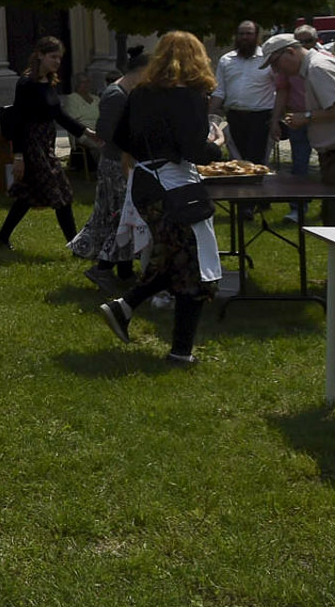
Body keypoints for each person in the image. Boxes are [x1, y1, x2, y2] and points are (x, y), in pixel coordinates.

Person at [97, 33, 224, 364]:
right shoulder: (192, 97)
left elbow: (119, 136)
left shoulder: (140, 93)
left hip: (144, 184)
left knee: (176, 260)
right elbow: (194, 151)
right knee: (192, 267)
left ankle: (125, 308)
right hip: (174, 188)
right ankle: (180, 352)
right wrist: (216, 142)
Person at [263, 30, 335, 292]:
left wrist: (305, 117)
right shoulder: (315, 67)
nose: (278, 71)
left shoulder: (318, 68)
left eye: (276, 63)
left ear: (290, 51)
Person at [0, 37, 99, 250]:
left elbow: (58, 114)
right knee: (61, 193)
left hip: (45, 143)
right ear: (40, 55)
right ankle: (75, 245)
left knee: (27, 195)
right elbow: (19, 121)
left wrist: (85, 132)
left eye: (60, 57)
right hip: (32, 145)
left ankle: (1, 239)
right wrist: (19, 156)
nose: (57, 61)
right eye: (53, 56)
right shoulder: (26, 84)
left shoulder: (48, 81)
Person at [70, 49, 148, 288]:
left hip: (123, 162)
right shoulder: (116, 95)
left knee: (122, 216)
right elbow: (106, 133)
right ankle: (103, 268)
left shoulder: (126, 93)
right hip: (116, 164)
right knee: (120, 218)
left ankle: (124, 271)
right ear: (142, 71)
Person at [211, 20, 276, 167]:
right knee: (237, 162)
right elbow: (219, 91)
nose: (245, 37)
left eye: (249, 34)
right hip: (235, 117)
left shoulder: (267, 59)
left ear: (256, 36)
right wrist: (209, 116)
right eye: (241, 34)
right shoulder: (226, 60)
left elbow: (280, 88)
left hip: (261, 118)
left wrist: (277, 117)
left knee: (257, 163)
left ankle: (260, 190)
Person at [270, 26, 319, 220]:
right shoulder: (287, 64)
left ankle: (333, 205)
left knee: (331, 163)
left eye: (307, 41)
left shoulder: (321, 62)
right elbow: (282, 91)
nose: (303, 45)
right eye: (299, 41)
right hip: (298, 117)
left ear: (315, 41)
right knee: (299, 163)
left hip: (322, 117)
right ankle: (298, 208)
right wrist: (275, 120)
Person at [64, 73, 103, 176]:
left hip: (99, 130)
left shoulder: (96, 99)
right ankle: (101, 170)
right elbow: (72, 120)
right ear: (77, 84)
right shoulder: (72, 98)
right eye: (83, 82)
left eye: (88, 82)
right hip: (83, 132)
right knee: (97, 145)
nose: (86, 84)